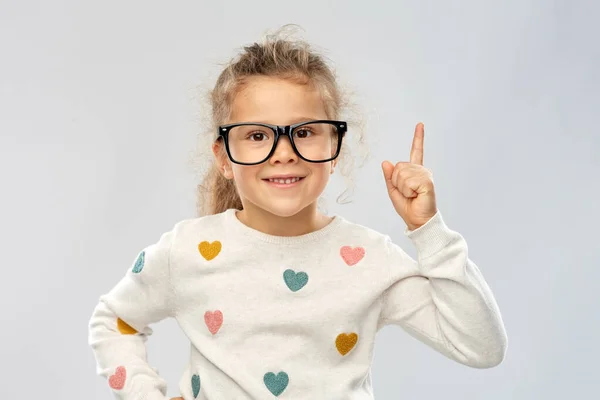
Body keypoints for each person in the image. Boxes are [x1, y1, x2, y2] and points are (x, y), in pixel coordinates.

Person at [88, 28, 507, 400]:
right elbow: (113, 321)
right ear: (224, 158)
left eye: (304, 131)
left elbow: (481, 347)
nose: (284, 153)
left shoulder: (369, 258)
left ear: (333, 147)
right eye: (256, 135)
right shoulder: (187, 250)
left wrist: (428, 232)